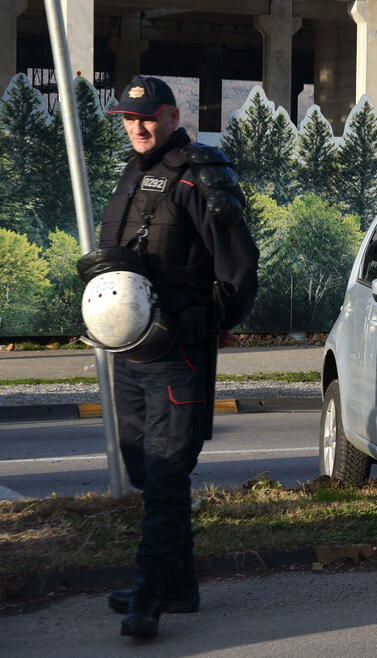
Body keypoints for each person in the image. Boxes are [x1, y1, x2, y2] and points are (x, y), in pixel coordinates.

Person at [84, 76, 259, 638]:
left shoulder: (199, 172)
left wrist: (219, 324)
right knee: (145, 468)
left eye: (148, 116)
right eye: (129, 118)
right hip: (130, 351)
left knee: (164, 473)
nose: (138, 126)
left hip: (179, 348)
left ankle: (150, 594)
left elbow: (238, 265)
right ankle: (179, 585)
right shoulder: (134, 173)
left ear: (172, 112)